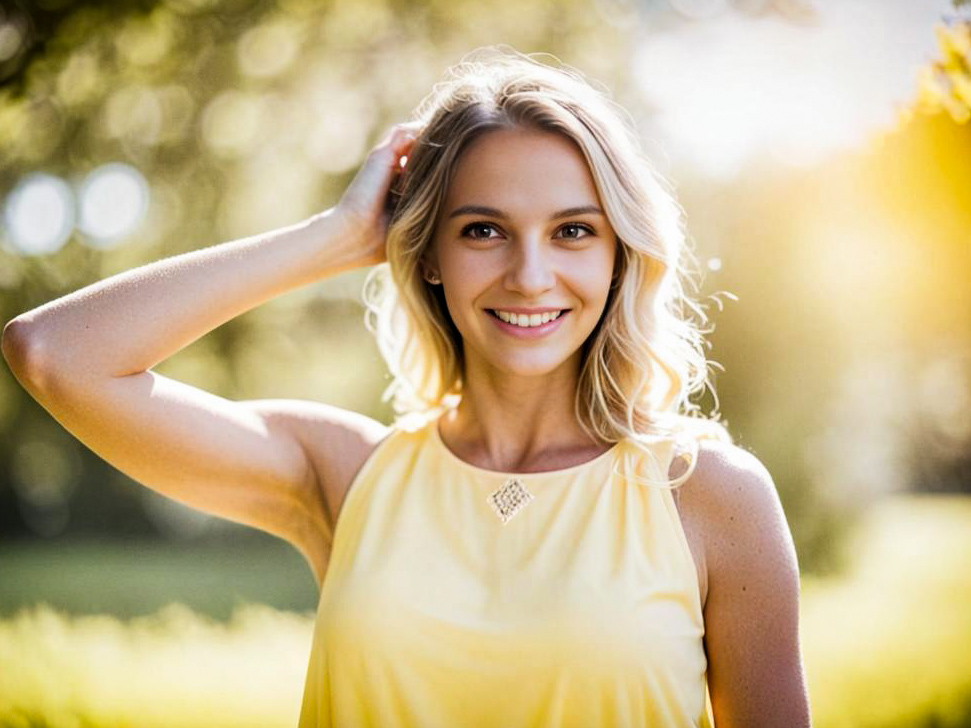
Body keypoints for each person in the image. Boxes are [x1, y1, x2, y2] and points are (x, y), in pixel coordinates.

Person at [2, 47, 811, 727]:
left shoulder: (709, 496)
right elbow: (52, 353)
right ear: (427, 254)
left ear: (617, 254)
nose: (530, 276)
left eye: (573, 230)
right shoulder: (346, 474)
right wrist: (336, 237)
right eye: (482, 230)